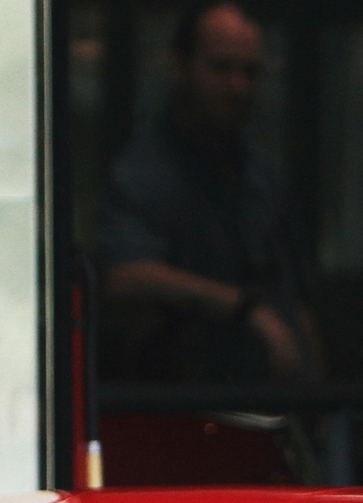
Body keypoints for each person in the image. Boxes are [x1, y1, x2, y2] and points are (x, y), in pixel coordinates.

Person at [102, 2, 321, 383]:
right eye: (220, 68)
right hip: (192, 411)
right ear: (179, 68)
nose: (237, 87)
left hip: (277, 409)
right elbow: (125, 276)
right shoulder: (144, 172)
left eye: (249, 72)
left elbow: (296, 299)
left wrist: (318, 400)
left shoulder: (262, 172)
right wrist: (243, 308)